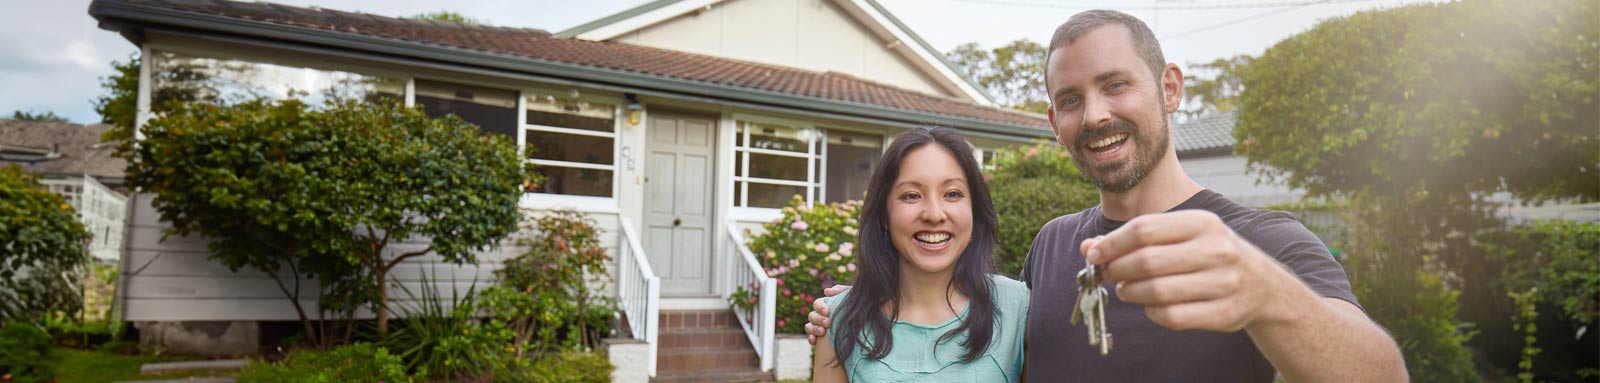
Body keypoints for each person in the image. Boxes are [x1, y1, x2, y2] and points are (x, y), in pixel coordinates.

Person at [806, 10, 1408, 382]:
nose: (1094, 115)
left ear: (1169, 87)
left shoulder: (1261, 240)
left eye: (1116, 85)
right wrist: (863, 304)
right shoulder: (1053, 244)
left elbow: (1381, 376)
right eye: (1071, 100)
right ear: (1053, 120)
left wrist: (1270, 295)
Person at [812, 127, 1029, 383]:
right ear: (884, 216)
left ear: (975, 210)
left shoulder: (1018, 308)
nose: (934, 214)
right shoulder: (836, 320)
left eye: (952, 194)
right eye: (911, 196)